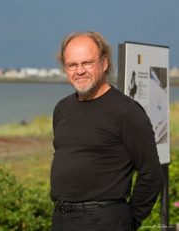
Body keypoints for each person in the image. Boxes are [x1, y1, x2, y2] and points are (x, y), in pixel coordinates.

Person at [50, 31, 164, 231]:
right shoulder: (62, 108)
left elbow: (152, 173)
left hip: (105, 221)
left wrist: (129, 221)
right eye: (72, 65)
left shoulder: (126, 111)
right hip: (61, 220)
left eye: (87, 63)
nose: (79, 70)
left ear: (104, 63)